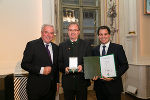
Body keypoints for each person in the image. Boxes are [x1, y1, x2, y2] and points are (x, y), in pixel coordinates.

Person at [21, 24, 59, 100]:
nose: (49, 35)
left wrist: (57, 82)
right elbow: (24, 64)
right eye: (46, 32)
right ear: (41, 33)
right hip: (36, 89)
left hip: (51, 89)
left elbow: (56, 67)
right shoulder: (32, 45)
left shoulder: (56, 47)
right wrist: (41, 70)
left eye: (51, 33)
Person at [92, 26, 129, 100]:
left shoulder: (118, 48)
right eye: (101, 34)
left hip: (114, 86)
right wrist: (93, 76)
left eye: (105, 34)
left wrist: (113, 76)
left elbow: (125, 65)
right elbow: (93, 66)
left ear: (109, 35)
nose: (103, 36)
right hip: (99, 87)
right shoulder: (94, 50)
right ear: (98, 36)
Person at [58, 22, 92, 100]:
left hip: (82, 82)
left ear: (79, 32)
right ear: (68, 32)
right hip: (68, 82)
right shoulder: (62, 45)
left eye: (75, 30)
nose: (73, 32)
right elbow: (59, 63)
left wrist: (82, 67)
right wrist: (64, 69)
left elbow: (89, 61)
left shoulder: (86, 44)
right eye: (70, 30)